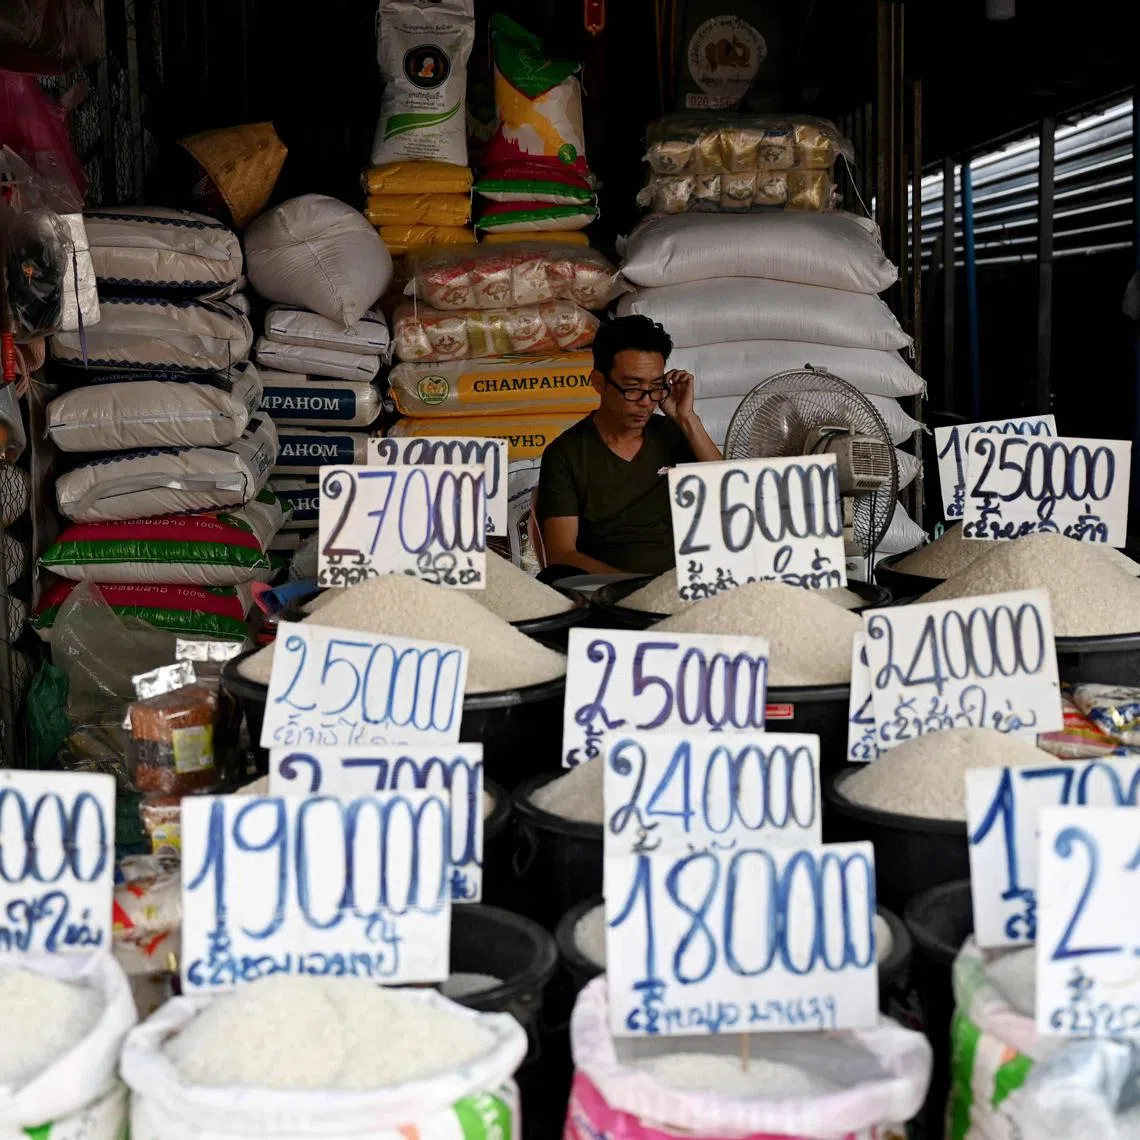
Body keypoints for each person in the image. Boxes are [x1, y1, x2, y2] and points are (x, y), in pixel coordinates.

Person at [535, 314, 721, 579]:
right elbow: (562, 555)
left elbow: (732, 492)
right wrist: (638, 587)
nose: (646, 402)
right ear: (599, 382)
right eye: (632, 388)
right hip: (607, 592)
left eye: (655, 388)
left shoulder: (672, 433)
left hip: (685, 583)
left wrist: (687, 420)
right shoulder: (566, 454)